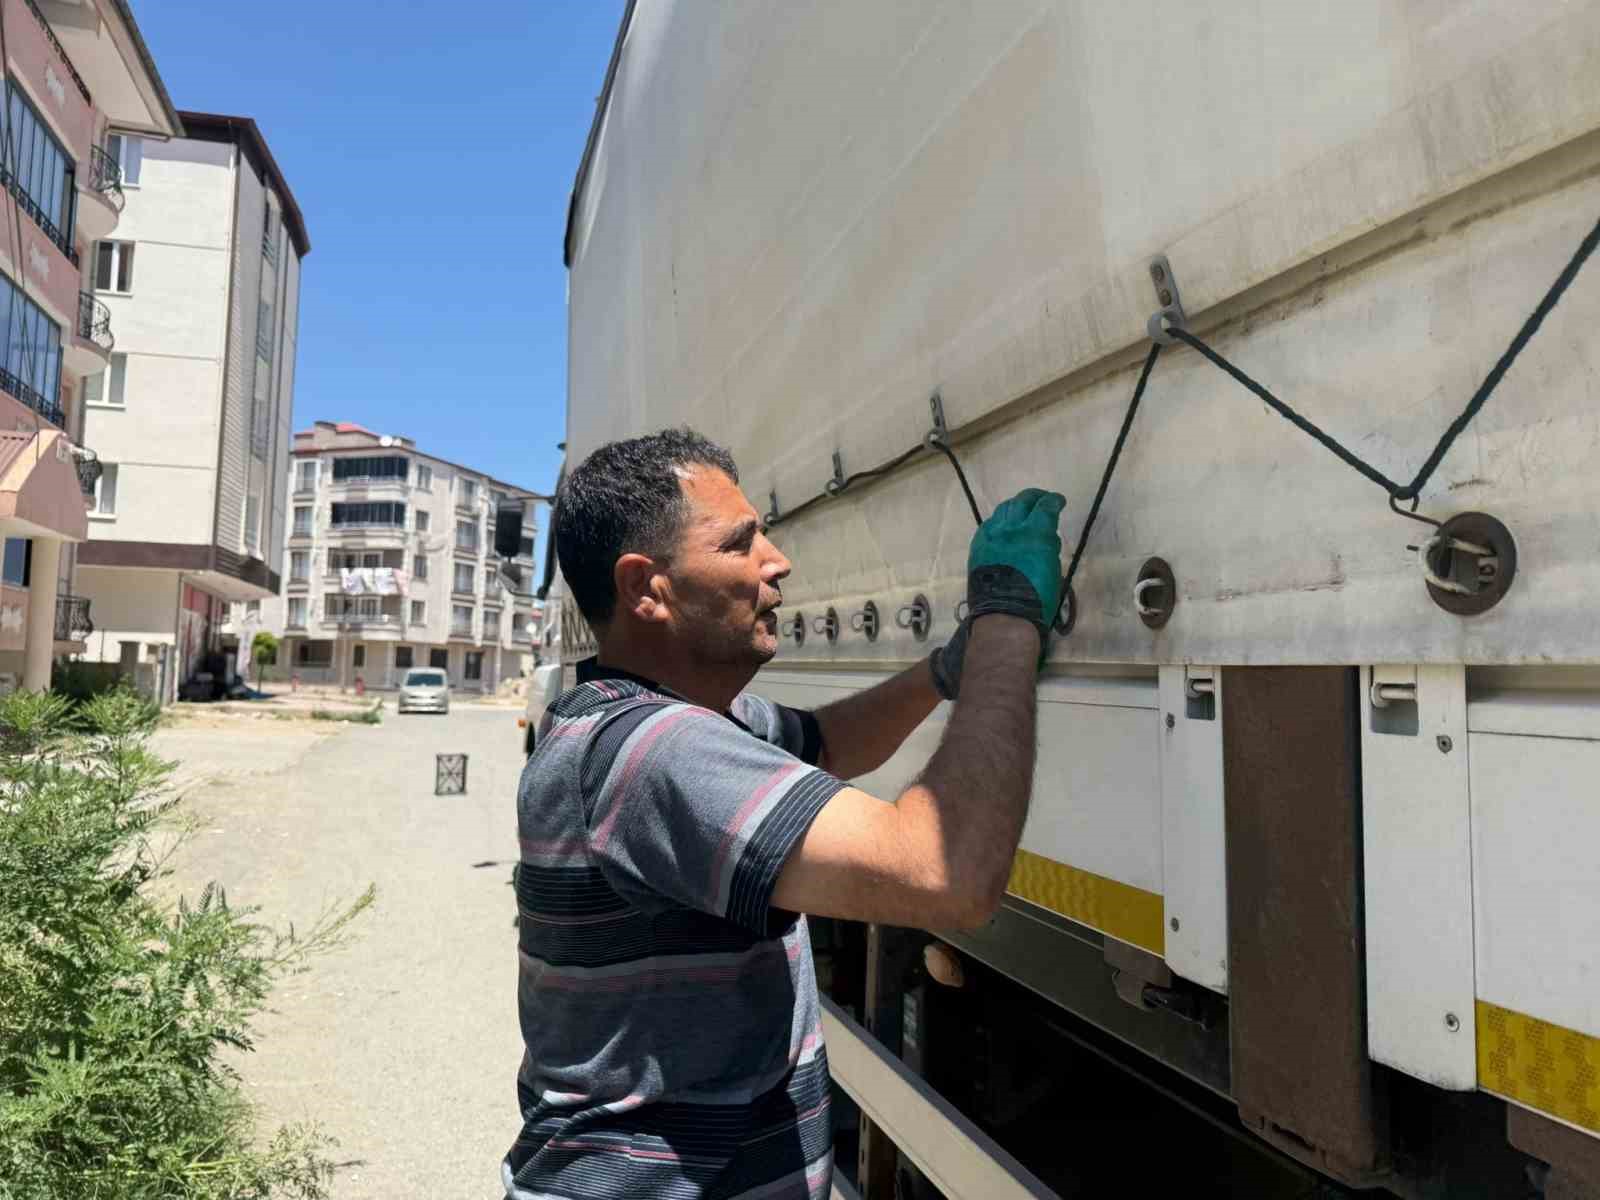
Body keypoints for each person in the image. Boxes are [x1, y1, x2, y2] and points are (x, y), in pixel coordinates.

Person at [504, 429, 1063, 1200]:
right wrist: (1009, 626)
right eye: (740, 543)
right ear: (646, 587)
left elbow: (825, 742)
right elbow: (945, 873)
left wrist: (945, 670)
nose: (776, 559)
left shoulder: (643, 719)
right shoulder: (658, 753)